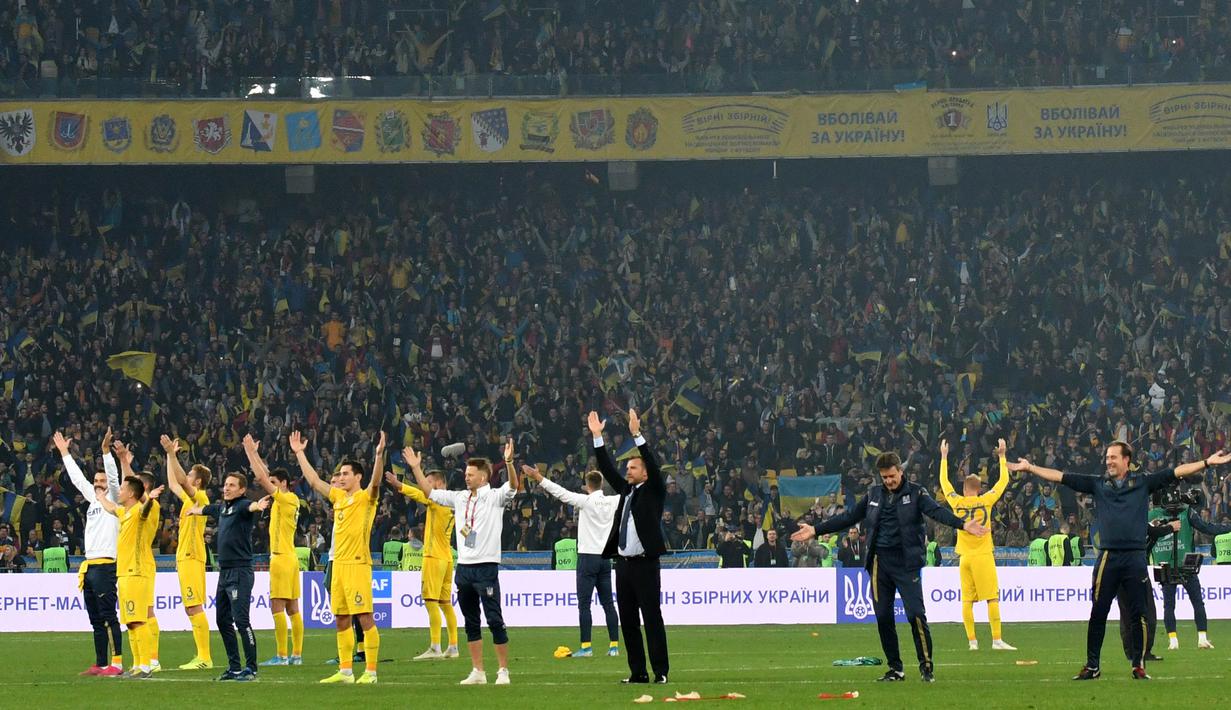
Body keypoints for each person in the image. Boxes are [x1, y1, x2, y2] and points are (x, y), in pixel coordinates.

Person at [1008, 442, 1231, 680]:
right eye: (1107, 458)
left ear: (1126, 460)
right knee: (1098, 613)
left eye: (1113, 457)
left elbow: (1176, 472)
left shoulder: (1142, 483)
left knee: (1139, 615)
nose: (1108, 461)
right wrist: (1030, 468)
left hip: (1135, 557)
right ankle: (1092, 666)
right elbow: (1061, 477)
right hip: (1108, 557)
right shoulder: (1098, 484)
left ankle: (1138, 665)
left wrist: (1207, 462)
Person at [792, 451, 987, 682]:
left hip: (906, 563)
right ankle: (895, 669)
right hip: (879, 563)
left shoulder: (916, 493)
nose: (889, 481)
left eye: (892, 476)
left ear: (900, 471)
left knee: (915, 614)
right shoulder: (873, 494)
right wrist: (816, 530)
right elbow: (849, 517)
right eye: (884, 477)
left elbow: (936, 511)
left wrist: (962, 525)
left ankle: (926, 667)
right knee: (883, 617)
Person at [407, 439, 519, 686]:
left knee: (494, 620)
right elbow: (430, 493)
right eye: (466, 474)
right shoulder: (460, 498)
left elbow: (513, 485)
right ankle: (478, 671)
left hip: (486, 567)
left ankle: (503, 671)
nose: (466, 477)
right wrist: (416, 468)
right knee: (471, 622)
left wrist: (509, 462)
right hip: (464, 568)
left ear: (483, 477)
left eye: (470, 474)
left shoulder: (495, 497)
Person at [292, 429, 386, 685]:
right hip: (338, 565)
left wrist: (379, 456)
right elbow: (314, 481)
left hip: (357, 564)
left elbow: (376, 482)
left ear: (358, 477)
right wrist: (300, 453)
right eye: (340, 474)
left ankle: (371, 672)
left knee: (364, 617)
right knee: (341, 619)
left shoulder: (366, 498)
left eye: (345, 474)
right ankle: (345, 671)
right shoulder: (338, 498)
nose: (341, 477)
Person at [590, 409, 670, 685]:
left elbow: (653, 464)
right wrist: (597, 437)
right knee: (628, 621)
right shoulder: (626, 491)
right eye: (628, 468)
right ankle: (638, 672)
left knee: (652, 618)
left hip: (645, 564)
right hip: (623, 565)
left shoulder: (654, 490)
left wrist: (637, 435)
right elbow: (607, 469)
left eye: (633, 468)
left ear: (645, 473)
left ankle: (660, 671)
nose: (628, 470)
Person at [521, 465, 620, 657]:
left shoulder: (584, 501)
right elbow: (631, 495)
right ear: (601, 485)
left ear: (587, 486)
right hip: (605, 559)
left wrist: (538, 477)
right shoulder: (613, 501)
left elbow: (560, 492)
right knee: (608, 603)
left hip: (587, 558)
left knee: (584, 605)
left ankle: (586, 647)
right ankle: (614, 646)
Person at [185, 472, 270, 681]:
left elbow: (250, 507)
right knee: (222, 620)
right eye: (225, 484)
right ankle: (234, 667)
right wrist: (194, 511)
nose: (227, 488)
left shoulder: (242, 506)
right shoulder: (222, 508)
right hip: (224, 573)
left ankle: (251, 668)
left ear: (242, 490)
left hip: (240, 572)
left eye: (232, 485)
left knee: (241, 621)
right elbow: (206, 509)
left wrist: (257, 506)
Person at [54, 429, 123, 676]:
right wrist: (65, 453)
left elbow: (113, 478)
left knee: (109, 616)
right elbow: (76, 478)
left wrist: (106, 453)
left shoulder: (114, 499)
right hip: (89, 566)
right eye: (96, 481)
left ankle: (117, 663)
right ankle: (101, 663)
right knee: (95, 619)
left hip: (106, 565)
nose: (98, 484)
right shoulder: (93, 500)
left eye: (101, 481)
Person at [937, 438, 1016, 651]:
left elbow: (944, 483)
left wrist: (944, 457)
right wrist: (1002, 456)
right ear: (979, 489)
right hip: (983, 556)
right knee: (992, 598)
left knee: (967, 601)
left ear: (964, 488)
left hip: (964, 558)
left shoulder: (957, 501)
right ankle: (996, 640)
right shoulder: (985, 500)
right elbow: (1003, 482)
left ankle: (972, 642)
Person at [383, 464, 461, 660]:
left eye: (428, 482)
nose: (425, 486)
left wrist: (399, 485)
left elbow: (418, 494)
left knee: (431, 602)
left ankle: (435, 647)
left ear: (439, 483)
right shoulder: (453, 503)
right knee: (445, 604)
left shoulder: (437, 500)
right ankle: (453, 646)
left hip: (433, 557)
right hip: (447, 558)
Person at [243, 435, 305, 666]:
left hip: (281, 558)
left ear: (284, 483)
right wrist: (257, 455)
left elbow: (261, 477)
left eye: (274, 483)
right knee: (293, 608)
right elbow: (265, 474)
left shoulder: (286, 499)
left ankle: (281, 655)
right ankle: (296, 655)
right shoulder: (289, 500)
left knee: (277, 606)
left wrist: (249, 452)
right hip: (290, 558)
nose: (270, 486)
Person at [95, 471, 160, 679]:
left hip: (135, 572)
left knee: (138, 620)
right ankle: (137, 665)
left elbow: (147, 508)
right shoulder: (125, 512)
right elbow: (111, 508)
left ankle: (146, 666)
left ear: (131, 493)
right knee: (130, 622)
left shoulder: (140, 511)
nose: (119, 492)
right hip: (123, 573)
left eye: (122, 489)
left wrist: (150, 499)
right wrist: (100, 496)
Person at [160, 434, 214, 669]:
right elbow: (174, 483)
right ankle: (202, 655)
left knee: (194, 606)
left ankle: (204, 657)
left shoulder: (200, 497)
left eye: (191, 475)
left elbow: (181, 482)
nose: (187, 477)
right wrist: (169, 456)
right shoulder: (189, 501)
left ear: (198, 481)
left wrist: (172, 455)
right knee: (190, 607)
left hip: (192, 556)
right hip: (185, 557)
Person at [1153, 503, 1231, 650]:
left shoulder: (1152, 514)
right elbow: (1207, 528)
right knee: (1197, 602)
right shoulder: (1186, 511)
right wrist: (1228, 528)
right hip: (1186, 564)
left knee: (1169, 605)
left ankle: (1173, 641)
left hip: (1165, 565)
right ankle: (1202, 639)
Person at [113, 440, 162, 673]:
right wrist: (123, 461)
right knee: (139, 616)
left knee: (143, 615)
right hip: (133, 567)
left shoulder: (151, 507)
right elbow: (130, 486)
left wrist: (124, 461)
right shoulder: (129, 510)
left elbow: (135, 489)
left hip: (140, 567)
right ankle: (143, 662)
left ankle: (150, 661)